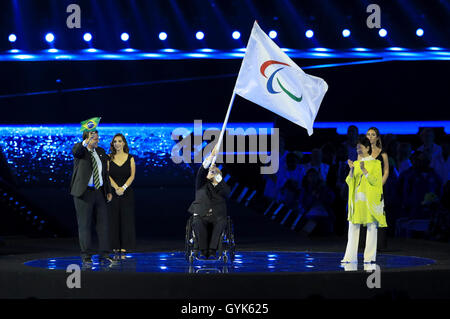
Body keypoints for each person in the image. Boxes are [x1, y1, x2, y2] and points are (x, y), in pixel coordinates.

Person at [341, 136, 387, 264]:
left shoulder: (375, 163)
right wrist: (351, 169)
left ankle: (369, 258)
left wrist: (364, 170)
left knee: (372, 228)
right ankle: (350, 257)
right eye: (357, 148)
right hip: (356, 201)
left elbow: (375, 181)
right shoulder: (355, 164)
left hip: (369, 201)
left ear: (367, 148)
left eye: (360, 147)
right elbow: (349, 182)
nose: (358, 150)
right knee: (353, 228)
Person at [70, 130, 113, 264]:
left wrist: (108, 191)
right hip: (84, 192)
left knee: (103, 224)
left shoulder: (100, 151)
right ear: (87, 139)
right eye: (94, 138)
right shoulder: (81, 151)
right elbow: (76, 151)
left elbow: (104, 174)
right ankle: (86, 256)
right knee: (84, 225)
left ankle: (105, 254)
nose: (97, 140)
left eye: (97, 138)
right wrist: (85, 143)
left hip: (99, 192)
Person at [188, 146, 231, 259]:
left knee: (221, 223)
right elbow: (202, 170)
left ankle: (212, 250)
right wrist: (211, 157)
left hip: (217, 216)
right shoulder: (201, 183)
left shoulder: (220, 187)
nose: (212, 172)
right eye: (211, 171)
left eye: (215, 172)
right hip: (202, 214)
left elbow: (227, 192)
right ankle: (203, 250)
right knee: (197, 223)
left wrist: (217, 176)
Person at [108, 133, 136, 257]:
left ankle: (125, 246)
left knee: (126, 219)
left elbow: (132, 176)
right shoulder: (109, 158)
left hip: (127, 193)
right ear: (113, 144)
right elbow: (107, 175)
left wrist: (123, 188)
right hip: (114, 192)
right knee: (114, 219)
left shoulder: (130, 158)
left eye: (119, 141)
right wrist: (116, 188)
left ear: (124, 143)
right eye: (115, 141)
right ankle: (115, 246)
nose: (117, 143)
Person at [364, 127, 389, 250]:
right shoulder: (363, 152)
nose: (370, 136)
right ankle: (365, 244)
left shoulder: (382, 153)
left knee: (378, 214)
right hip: (365, 187)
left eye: (373, 134)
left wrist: (379, 186)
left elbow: (386, 171)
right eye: (368, 134)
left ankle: (380, 245)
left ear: (377, 137)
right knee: (366, 214)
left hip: (378, 187)